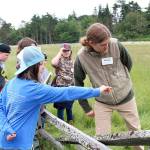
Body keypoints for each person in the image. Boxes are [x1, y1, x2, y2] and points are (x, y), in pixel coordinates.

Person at [0, 46, 111, 150]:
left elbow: (1, 108)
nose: (43, 68)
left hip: (4, 139)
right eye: (41, 64)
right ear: (34, 66)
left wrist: (7, 129)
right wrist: (97, 90)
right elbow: (68, 92)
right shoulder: (35, 90)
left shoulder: (12, 83)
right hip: (19, 144)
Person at [74, 23, 143, 150]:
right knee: (101, 138)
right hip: (102, 102)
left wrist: (121, 80)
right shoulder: (81, 57)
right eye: (103, 44)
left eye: (108, 42)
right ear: (91, 42)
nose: (107, 46)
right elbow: (78, 83)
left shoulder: (115, 44)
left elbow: (128, 63)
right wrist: (86, 107)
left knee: (137, 134)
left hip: (126, 96)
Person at [51, 43, 74, 124]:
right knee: (61, 107)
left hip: (71, 86)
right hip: (61, 86)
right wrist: (60, 52)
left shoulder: (71, 61)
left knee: (69, 106)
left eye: (68, 50)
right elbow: (53, 63)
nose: (66, 52)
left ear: (71, 51)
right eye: (64, 51)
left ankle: (70, 122)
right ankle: (61, 123)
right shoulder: (59, 60)